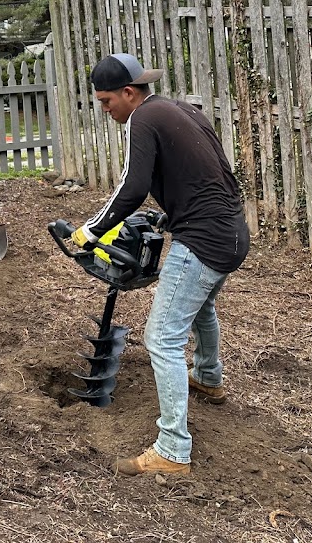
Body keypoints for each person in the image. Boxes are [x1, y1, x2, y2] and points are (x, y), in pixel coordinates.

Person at [70, 52, 249, 476]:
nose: (105, 109)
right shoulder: (181, 110)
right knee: (202, 308)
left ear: (128, 92)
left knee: (162, 339)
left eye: (106, 101)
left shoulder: (143, 119)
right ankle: (208, 377)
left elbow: (131, 188)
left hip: (203, 240)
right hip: (233, 232)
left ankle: (172, 449)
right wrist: (173, 213)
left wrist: (91, 231)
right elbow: (211, 173)